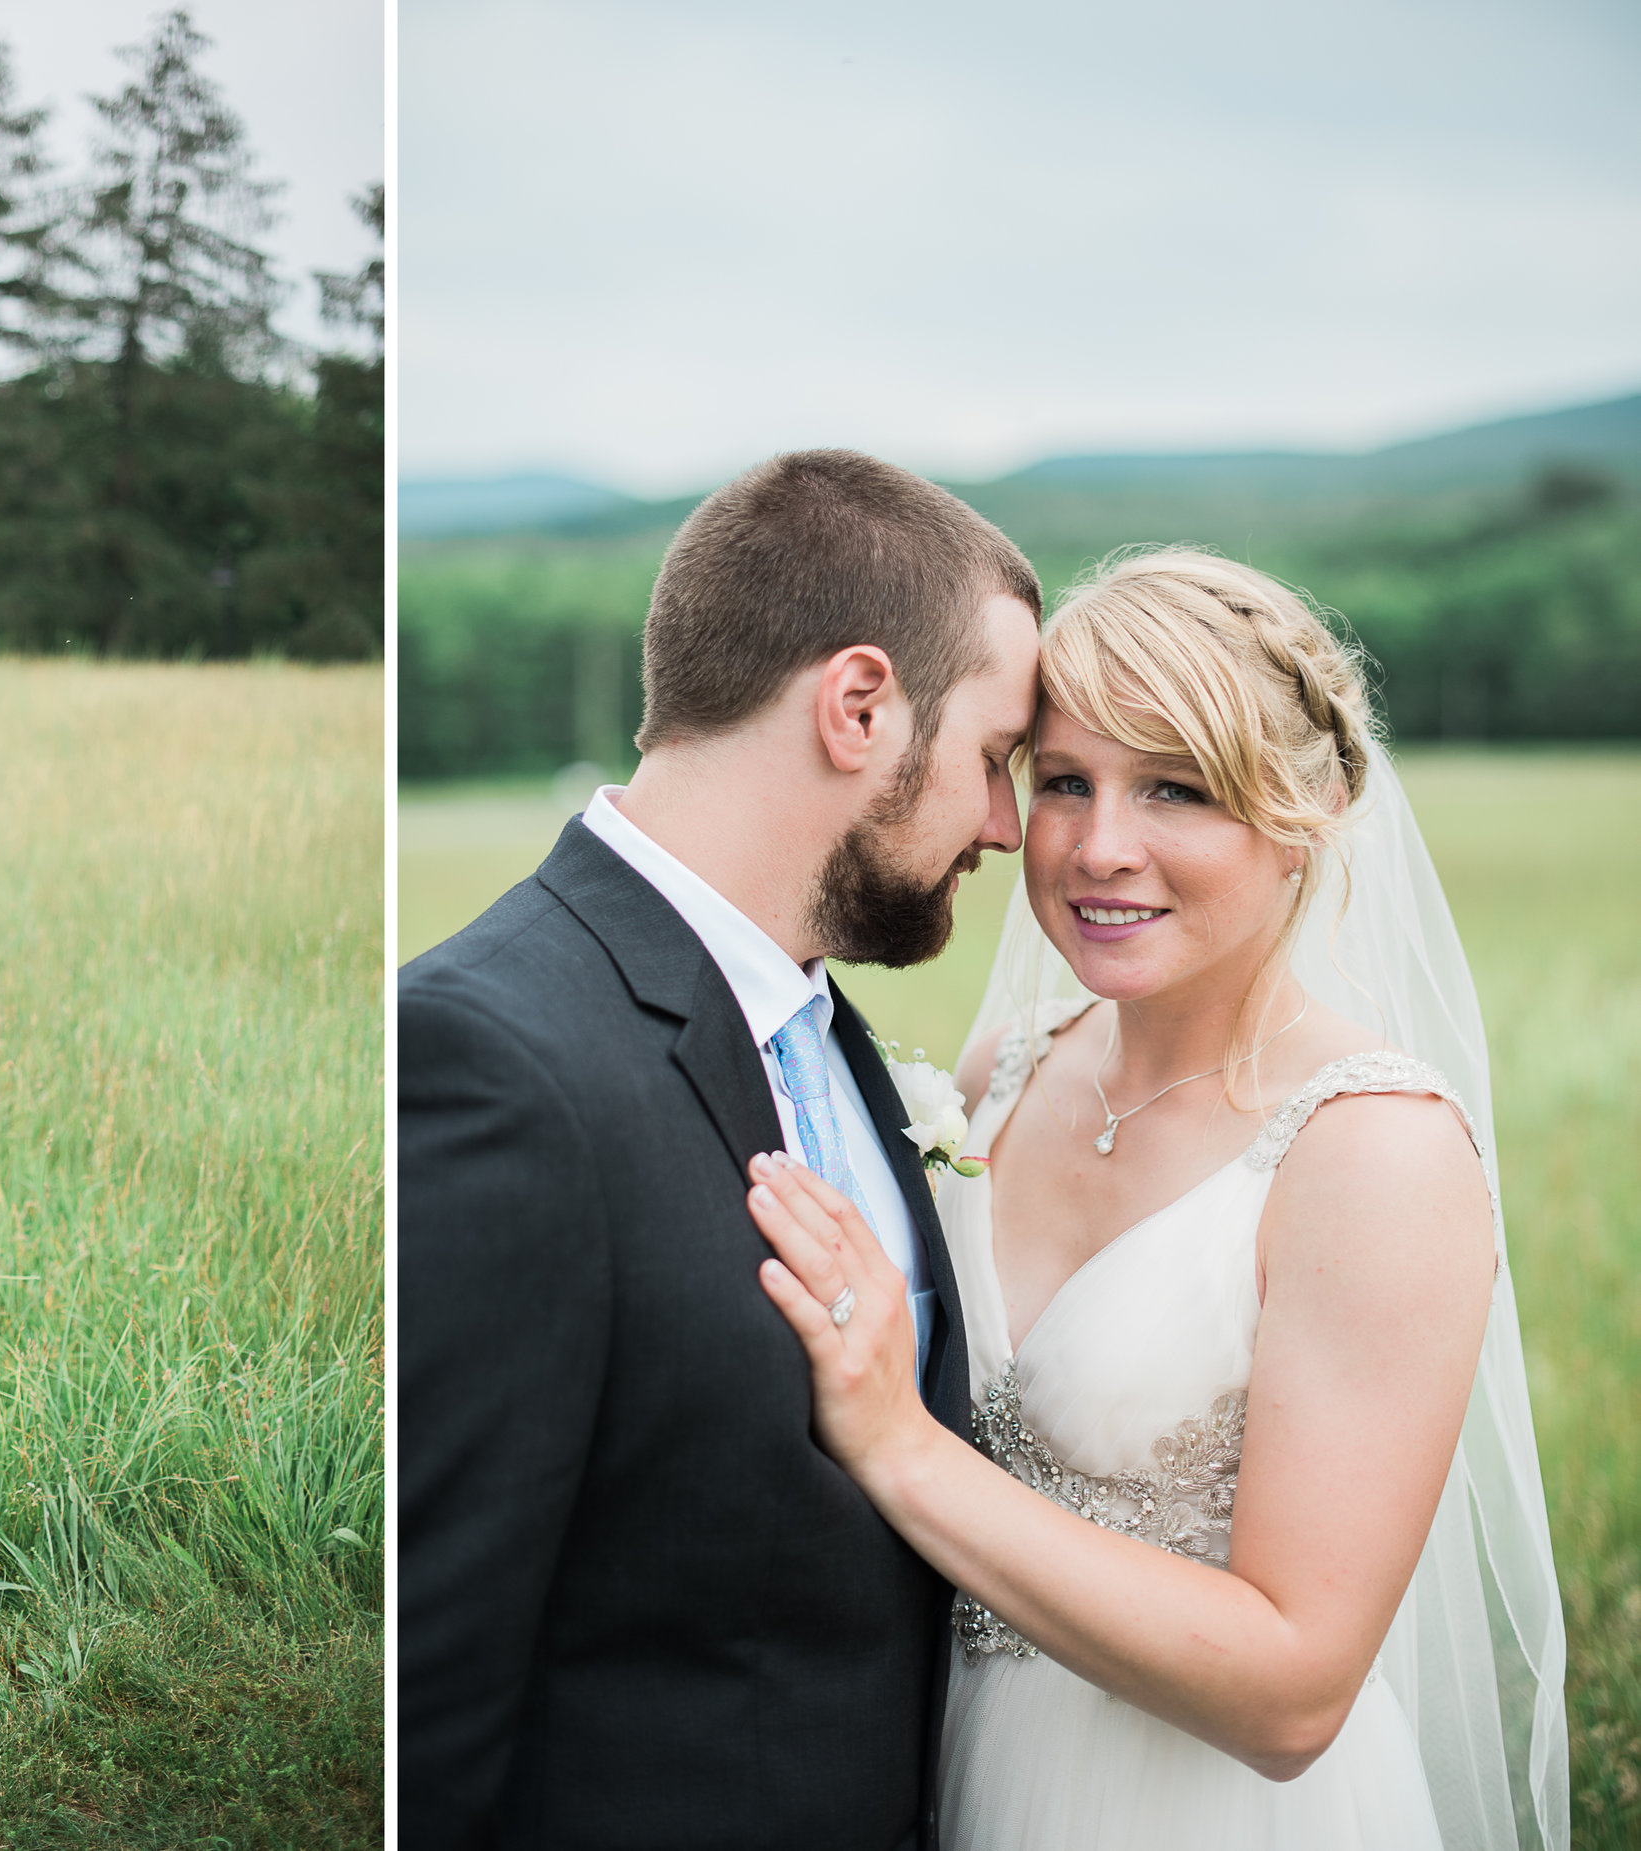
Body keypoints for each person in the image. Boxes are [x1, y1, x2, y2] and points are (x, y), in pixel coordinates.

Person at [746, 551, 1568, 1849]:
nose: (1097, 846)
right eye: (1064, 779)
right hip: (960, 1771)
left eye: (1175, 786)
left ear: (1310, 809)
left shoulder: (1372, 1154)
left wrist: (898, 1444)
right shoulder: (1001, 1074)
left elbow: (1296, 1691)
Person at [400, 450, 1043, 1849]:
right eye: (996, 757)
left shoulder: (838, 1037)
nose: (1006, 824)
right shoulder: (486, 1058)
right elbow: (431, 1683)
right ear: (859, 705)